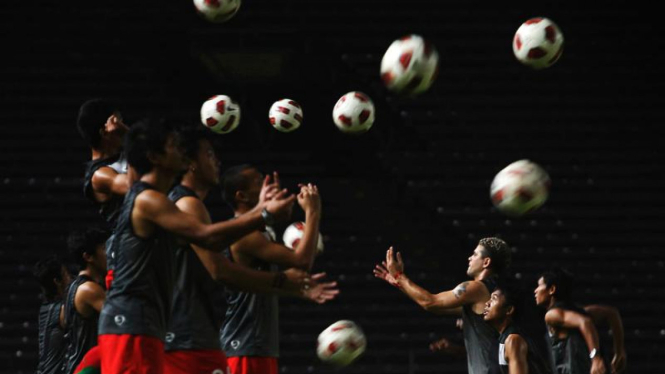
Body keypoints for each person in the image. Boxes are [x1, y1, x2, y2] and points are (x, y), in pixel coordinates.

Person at [97, 119, 297, 374]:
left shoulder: (149, 195)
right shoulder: (149, 200)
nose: (180, 150)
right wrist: (264, 215)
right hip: (131, 324)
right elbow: (208, 237)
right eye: (172, 145)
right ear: (155, 157)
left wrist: (127, 136)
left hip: (142, 324)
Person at [164, 127, 338, 374]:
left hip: (218, 339)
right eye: (209, 154)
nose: (217, 161)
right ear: (190, 162)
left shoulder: (204, 212)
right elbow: (222, 271)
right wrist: (312, 212)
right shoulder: (189, 205)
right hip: (230, 342)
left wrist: (263, 213)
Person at [220, 164, 324, 374]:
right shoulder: (244, 233)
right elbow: (302, 260)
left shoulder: (260, 231)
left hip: (258, 346)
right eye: (260, 183)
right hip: (245, 346)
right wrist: (313, 212)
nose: (269, 188)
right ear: (242, 196)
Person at [374, 238, 512, 374]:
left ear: (486, 262)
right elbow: (437, 308)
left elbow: (430, 302)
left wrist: (399, 276)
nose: (470, 258)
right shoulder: (496, 293)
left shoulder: (475, 289)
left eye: (475, 254)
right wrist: (401, 284)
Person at [534, 269, 607, 374]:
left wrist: (596, 358)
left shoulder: (552, 315)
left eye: (539, 285)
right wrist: (619, 351)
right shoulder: (580, 311)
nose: (535, 290)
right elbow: (611, 313)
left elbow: (585, 322)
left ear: (552, 289)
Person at [76, 99, 132, 226]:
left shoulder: (124, 152)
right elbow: (138, 188)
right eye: (119, 123)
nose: (122, 126)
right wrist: (128, 135)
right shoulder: (99, 175)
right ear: (104, 132)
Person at [62, 228, 108, 374]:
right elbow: (122, 316)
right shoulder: (89, 290)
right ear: (88, 257)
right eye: (103, 248)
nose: (108, 254)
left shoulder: (73, 288)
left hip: (78, 365)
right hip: (87, 368)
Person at [483, 280, 552, 374]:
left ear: (509, 309)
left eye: (493, 299)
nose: (487, 303)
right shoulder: (504, 337)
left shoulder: (513, 340)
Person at [33, 255, 72, 374]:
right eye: (66, 274)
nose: (70, 278)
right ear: (57, 281)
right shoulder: (61, 310)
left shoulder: (45, 308)